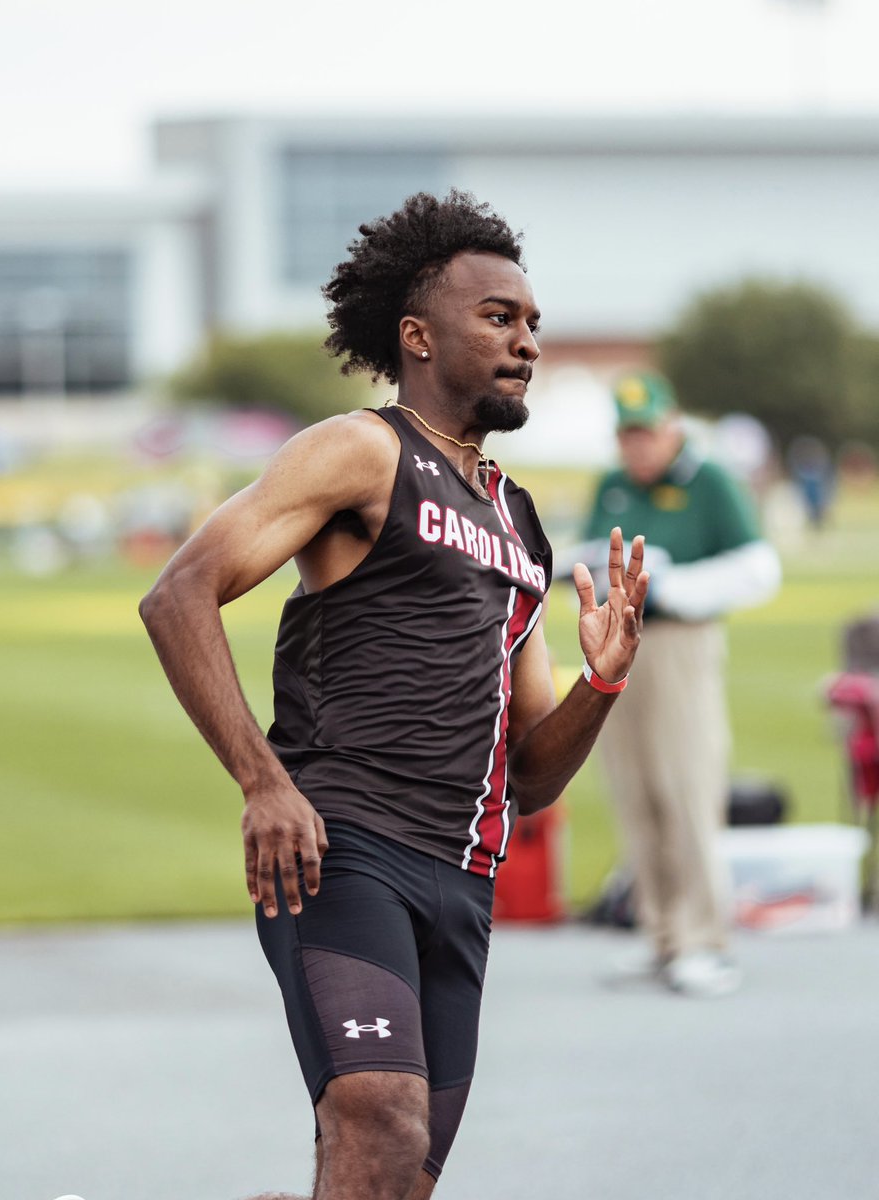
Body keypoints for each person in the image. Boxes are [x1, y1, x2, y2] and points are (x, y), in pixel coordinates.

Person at [139, 190, 648, 1200]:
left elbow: (531, 775)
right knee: (379, 1113)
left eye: (533, 324)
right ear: (418, 335)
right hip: (346, 846)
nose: (527, 343)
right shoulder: (365, 451)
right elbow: (179, 593)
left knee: (392, 1178)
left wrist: (602, 682)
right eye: (498, 317)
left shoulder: (521, 526)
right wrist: (265, 782)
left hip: (461, 880)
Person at [577, 370, 781, 999]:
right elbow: (589, 549)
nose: (638, 447)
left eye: (648, 432)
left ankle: (704, 939)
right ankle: (662, 933)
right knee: (634, 787)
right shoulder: (612, 486)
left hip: (680, 641)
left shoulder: (709, 482)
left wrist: (673, 586)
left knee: (685, 784)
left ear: (672, 427)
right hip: (616, 646)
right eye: (628, 435)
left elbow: (757, 568)